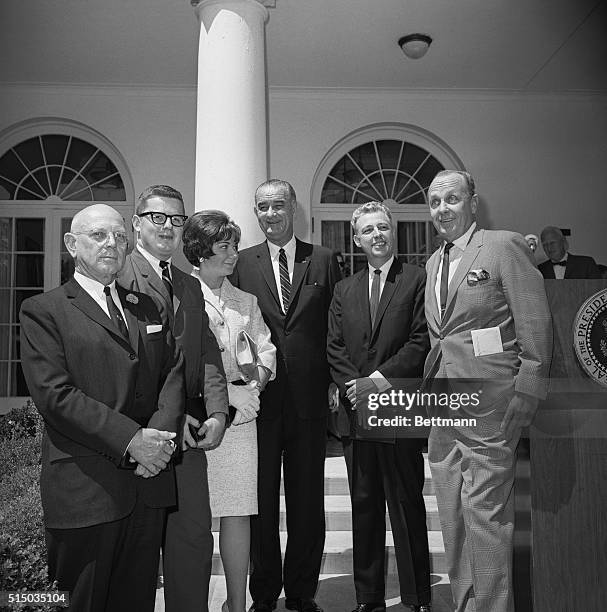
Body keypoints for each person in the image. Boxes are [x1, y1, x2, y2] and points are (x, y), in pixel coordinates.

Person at [19, 204, 185, 612]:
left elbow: (172, 374)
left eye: (119, 236)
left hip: (148, 486)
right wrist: (132, 441)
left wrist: (158, 444)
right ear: (72, 245)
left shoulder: (148, 307)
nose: (112, 244)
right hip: (86, 492)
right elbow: (56, 396)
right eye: (98, 235)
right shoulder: (44, 311)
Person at [424, 170, 552, 612]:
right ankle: (464, 604)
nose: (443, 209)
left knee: (487, 514)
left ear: (473, 203)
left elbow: (533, 318)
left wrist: (529, 388)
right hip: (442, 402)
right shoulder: (433, 262)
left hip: (490, 403)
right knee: (452, 511)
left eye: (452, 199)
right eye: (435, 201)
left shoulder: (501, 246)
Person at [230, 179, 341, 612]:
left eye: (278, 205)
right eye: (263, 207)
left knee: (307, 501)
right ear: (256, 213)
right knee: (261, 502)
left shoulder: (324, 259)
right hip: (258, 402)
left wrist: (334, 379)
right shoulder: (240, 262)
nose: (271, 214)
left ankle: (300, 591)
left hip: (310, 401)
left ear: (293, 208)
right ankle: (264, 593)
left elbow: (337, 325)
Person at [119, 185, 229, 612]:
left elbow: (207, 353)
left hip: (189, 441)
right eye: (157, 218)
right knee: (139, 557)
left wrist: (218, 411)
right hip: (141, 436)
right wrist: (171, 415)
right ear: (137, 222)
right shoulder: (119, 277)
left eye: (176, 220)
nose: (168, 227)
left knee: (192, 544)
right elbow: (126, 366)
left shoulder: (188, 284)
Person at [327, 202, 431, 612]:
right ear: (357, 239)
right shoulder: (344, 288)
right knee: (365, 508)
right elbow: (333, 345)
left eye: (383, 227)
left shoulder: (415, 279)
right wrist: (354, 387)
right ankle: (368, 598)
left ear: (395, 232)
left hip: (398, 407)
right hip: (356, 414)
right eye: (368, 230)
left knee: (406, 506)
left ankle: (418, 596)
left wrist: (375, 382)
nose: (376, 235)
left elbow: (420, 340)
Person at [183, 210, 276, 612]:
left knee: (238, 514)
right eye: (224, 246)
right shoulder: (179, 293)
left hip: (241, 424)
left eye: (235, 245)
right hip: (197, 421)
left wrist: (254, 385)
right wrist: (226, 395)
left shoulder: (246, 300)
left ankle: (237, 605)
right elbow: (183, 359)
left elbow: (265, 348)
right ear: (201, 251)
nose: (234, 253)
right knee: (194, 522)